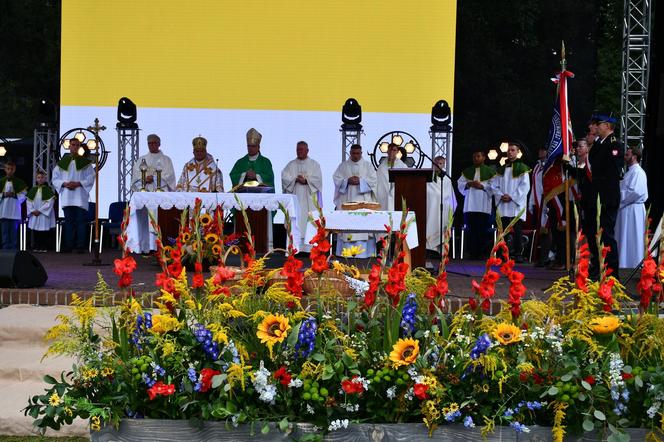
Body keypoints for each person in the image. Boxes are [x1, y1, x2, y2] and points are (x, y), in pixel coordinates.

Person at [587, 112, 624, 278]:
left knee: (607, 235)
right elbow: (593, 163)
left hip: (607, 196)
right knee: (597, 234)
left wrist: (605, 196)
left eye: (598, 123)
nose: (595, 127)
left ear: (608, 126)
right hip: (598, 196)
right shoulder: (599, 144)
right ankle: (598, 269)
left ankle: (612, 273)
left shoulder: (614, 144)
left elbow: (613, 172)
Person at [131, 134, 177, 253]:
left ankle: (159, 247)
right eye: (149, 143)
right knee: (144, 221)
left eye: (154, 142)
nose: (152, 145)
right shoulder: (141, 159)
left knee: (159, 221)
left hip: (160, 195)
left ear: (159, 143)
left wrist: (155, 179)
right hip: (145, 194)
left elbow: (169, 176)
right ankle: (145, 247)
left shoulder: (166, 160)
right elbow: (136, 176)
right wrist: (145, 179)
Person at [332, 144, 378, 258]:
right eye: (353, 153)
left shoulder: (368, 165)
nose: (355, 155)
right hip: (347, 200)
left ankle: (364, 253)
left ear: (361, 153)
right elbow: (336, 179)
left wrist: (361, 182)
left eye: (358, 153)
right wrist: (347, 181)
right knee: (348, 227)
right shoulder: (343, 166)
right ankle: (345, 253)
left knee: (363, 226)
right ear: (350, 153)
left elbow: (373, 181)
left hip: (363, 202)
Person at [51, 137, 95, 253]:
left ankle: (80, 246)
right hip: (67, 196)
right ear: (69, 146)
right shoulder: (62, 163)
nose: (75, 147)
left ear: (79, 147)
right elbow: (55, 178)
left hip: (80, 196)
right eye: (73, 145)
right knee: (69, 222)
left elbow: (91, 178)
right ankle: (69, 245)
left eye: (77, 145)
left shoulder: (85, 163)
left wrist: (78, 183)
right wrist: (64, 184)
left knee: (81, 222)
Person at [492, 143, 530, 263]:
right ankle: (502, 253)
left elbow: (525, 187)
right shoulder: (501, 169)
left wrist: (512, 197)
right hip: (503, 202)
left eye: (513, 150)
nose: (510, 152)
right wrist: (500, 195)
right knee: (502, 230)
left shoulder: (523, 168)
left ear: (517, 152)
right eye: (509, 150)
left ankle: (518, 253)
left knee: (517, 229)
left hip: (515, 204)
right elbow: (494, 185)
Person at [281, 141, 323, 251]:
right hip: (296, 198)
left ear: (307, 151)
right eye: (298, 149)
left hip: (309, 199)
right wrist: (295, 178)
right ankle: (294, 248)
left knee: (309, 222)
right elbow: (285, 177)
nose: (299, 151)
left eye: (301, 149)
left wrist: (306, 180)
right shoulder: (291, 165)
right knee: (296, 221)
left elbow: (318, 180)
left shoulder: (314, 164)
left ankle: (309, 249)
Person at [457, 149, 495, 259]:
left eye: (478, 156)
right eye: (474, 157)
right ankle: (472, 253)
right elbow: (460, 184)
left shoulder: (490, 172)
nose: (476, 158)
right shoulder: (467, 171)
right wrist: (469, 184)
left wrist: (482, 186)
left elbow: (494, 187)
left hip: (483, 206)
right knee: (471, 230)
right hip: (470, 205)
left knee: (482, 231)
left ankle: (483, 254)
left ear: (484, 157)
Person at [616, 146, 648, 269]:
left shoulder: (638, 172)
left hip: (633, 210)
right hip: (627, 209)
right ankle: (624, 263)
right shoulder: (630, 172)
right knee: (625, 237)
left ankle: (633, 263)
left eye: (627, 154)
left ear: (634, 156)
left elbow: (635, 192)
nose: (625, 157)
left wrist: (618, 198)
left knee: (633, 238)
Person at [426, 156, 457, 251]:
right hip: (431, 209)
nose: (439, 166)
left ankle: (441, 251)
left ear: (444, 165)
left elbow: (451, 196)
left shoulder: (447, 179)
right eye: (437, 163)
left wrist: (451, 208)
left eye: (441, 164)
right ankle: (429, 249)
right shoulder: (428, 177)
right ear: (433, 164)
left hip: (444, 211)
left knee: (443, 228)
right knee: (430, 225)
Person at [529, 147, 550, 266]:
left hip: (547, 199)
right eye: (540, 150)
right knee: (541, 230)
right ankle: (542, 257)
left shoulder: (550, 164)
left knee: (547, 229)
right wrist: (531, 201)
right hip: (538, 199)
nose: (540, 152)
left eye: (543, 150)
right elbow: (534, 185)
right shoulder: (537, 166)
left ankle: (547, 257)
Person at [0, 159, 28, 250]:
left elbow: (24, 195)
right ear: (5, 169)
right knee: (4, 233)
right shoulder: (1, 181)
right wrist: (3, 194)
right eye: (8, 169)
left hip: (14, 211)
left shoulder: (19, 182)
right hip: (3, 211)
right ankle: (5, 251)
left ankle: (13, 251)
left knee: (13, 233)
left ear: (14, 169)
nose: (9, 171)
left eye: (11, 169)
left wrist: (15, 195)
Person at [26, 169, 56, 252]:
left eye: (42, 177)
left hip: (43, 214)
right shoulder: (33, 190)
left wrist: (40, 211)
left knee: (44, 231)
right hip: (35, 213)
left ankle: (43, 246)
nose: (40, 179)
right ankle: (36, 246)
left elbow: (50, 202)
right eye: (38, 177)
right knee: (36, 230)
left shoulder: (48, 190)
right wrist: (33, 210)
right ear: (36, 179)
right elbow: (28, 201)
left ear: (45, 179)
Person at [376, 143, 407, 211]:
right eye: (390, 150)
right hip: (383, 194)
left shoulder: (402, 165)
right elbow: (378, 180)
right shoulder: (382, 166)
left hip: (397, 193)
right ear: (387, 151)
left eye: (394, 150)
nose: (392, 152)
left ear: (397, 152)